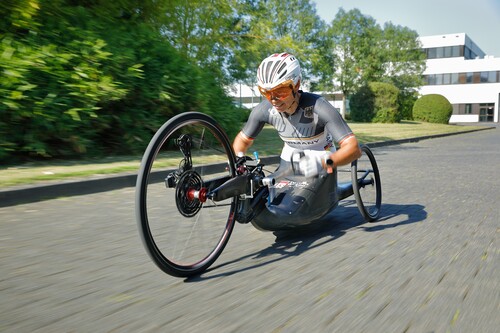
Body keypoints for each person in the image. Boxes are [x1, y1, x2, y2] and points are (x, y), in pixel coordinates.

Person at [233, 52, 362, 178]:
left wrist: (324, 162)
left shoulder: (320, 106)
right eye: (266, 92)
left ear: (296, 85)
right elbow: (242, 140)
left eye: (280, 91)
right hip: (289, 156)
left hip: (321, 155)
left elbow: (353, 148)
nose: (273, 99)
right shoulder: (263, 110)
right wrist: (240, 159)